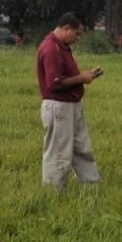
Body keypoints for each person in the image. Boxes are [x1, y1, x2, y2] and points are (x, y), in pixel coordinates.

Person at [36, 12, 102, 190]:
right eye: (77, 34)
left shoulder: (62, 46)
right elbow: (55, 83)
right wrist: (82, 78)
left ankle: (91, 184)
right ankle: (53, 190)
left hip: (72, 105)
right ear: (66, 29)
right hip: (58, 106)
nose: (78, 38)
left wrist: (86, 75)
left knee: (81, 146)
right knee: (59, 150)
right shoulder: (51, 48)